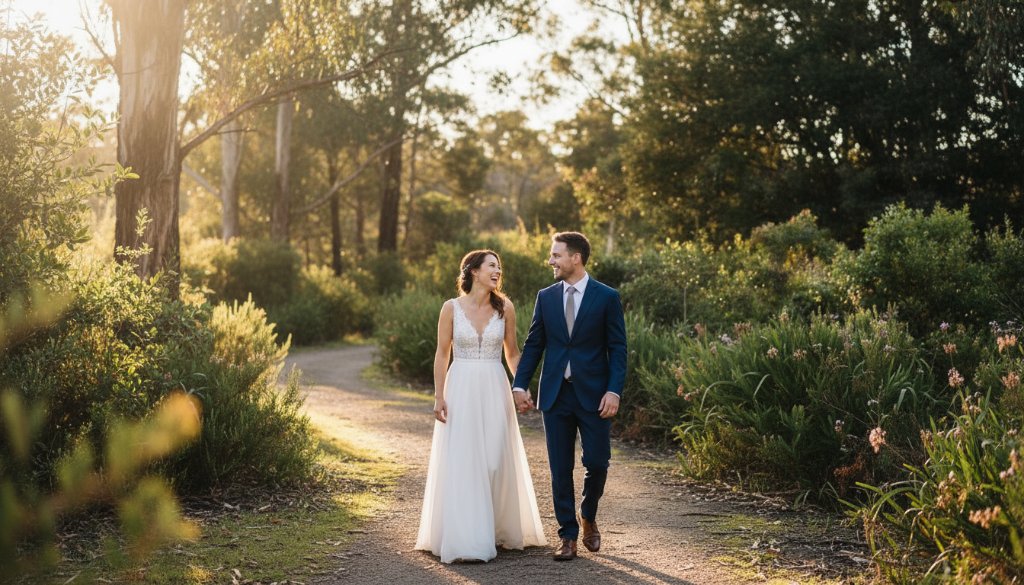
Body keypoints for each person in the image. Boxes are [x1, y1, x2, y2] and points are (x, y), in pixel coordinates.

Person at [414, 250, 547, 563]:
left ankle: (498, 527)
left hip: (494, 386)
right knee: (464, 459)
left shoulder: (505, 308)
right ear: (473, 271)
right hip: (460, 386)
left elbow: (513, 353)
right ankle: (467, 537)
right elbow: (441, 354)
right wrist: (439, 396)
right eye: (492, 266)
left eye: (499, 267)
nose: (497, 271)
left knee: (493, 460)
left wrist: (521, 386)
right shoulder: (450, 308)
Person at [511, 231, 627, 561]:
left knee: (597, 462)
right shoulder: (546, 297)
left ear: (575, 258)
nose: (551, 261)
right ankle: (568, 535)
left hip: (595, 396)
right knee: (559, 468)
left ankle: (588, 514)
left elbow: (618, 348)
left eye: (556, 255)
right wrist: (520, 384)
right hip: (556, 396)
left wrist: (614, 390)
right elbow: (534, 345)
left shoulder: (606, 297)